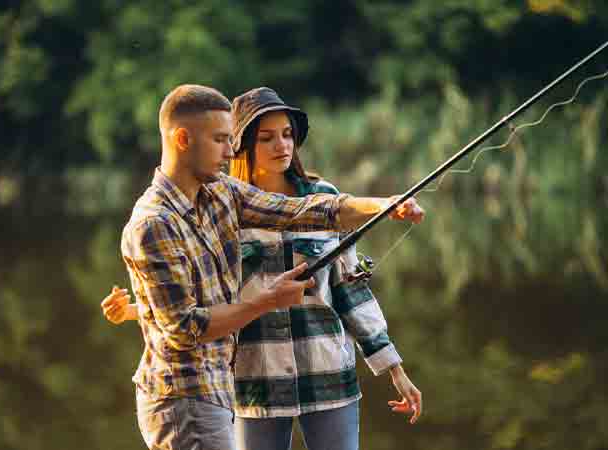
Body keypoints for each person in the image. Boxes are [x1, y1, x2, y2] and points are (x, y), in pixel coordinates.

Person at [100, 84, 424, 450]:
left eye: (287, 135)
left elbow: (307, 211)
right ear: (183, 139)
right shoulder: (155, 223)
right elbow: (184, 326)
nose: (229, 150)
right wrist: (268, 301)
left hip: (230, 388)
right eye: (222, 139)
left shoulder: (218, 195)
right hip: (200, 394)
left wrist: (384, 205)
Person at [228, 87, 422, 450]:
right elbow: (208, 296)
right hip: (257, 381)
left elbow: (351, 289)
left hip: (330, 374)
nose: (282, 145)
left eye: (287, 135)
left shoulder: (324, 196)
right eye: (267, 138)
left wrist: (395, 368)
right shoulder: (225, 211)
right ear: (242, 147)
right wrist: (136, 312)